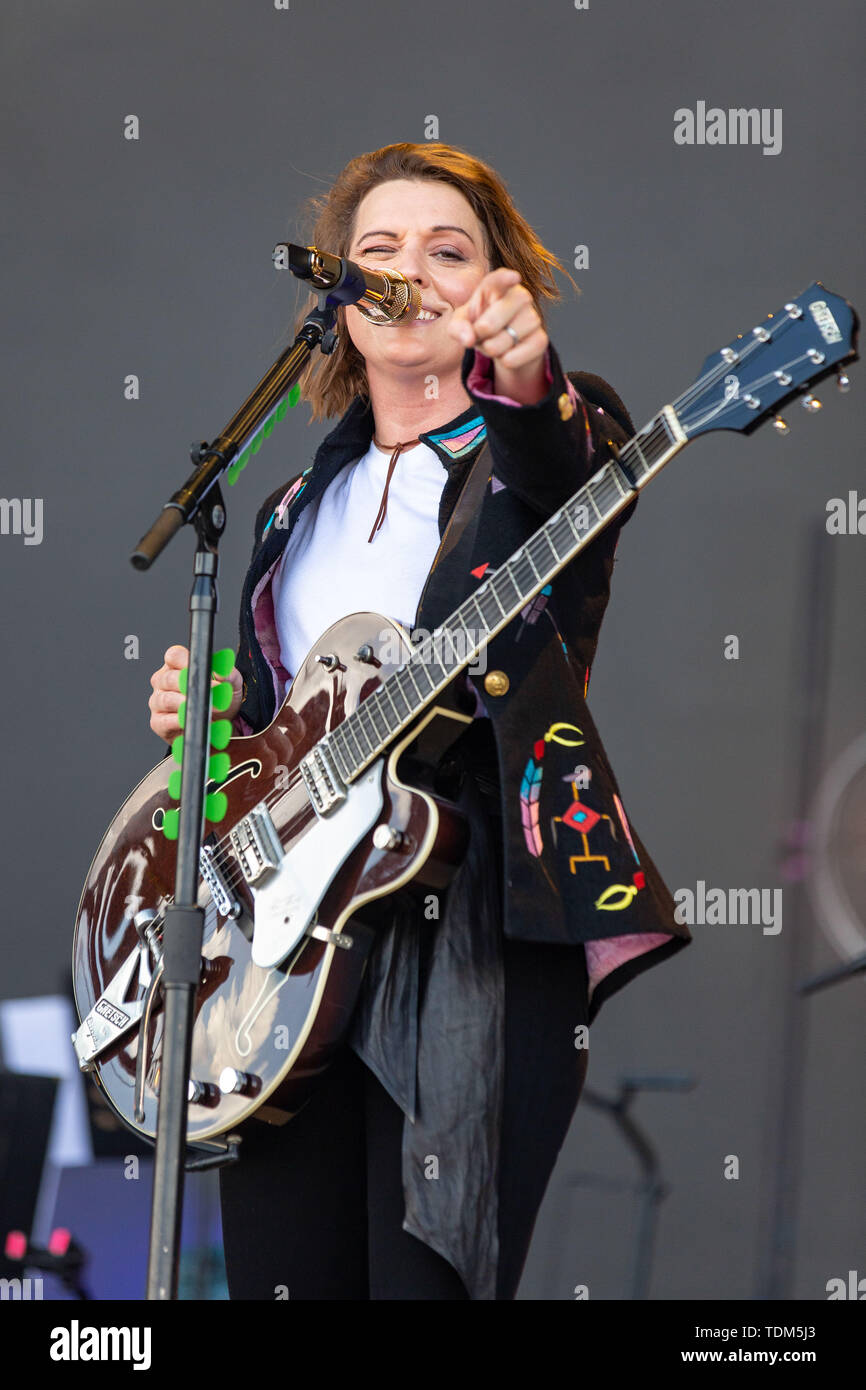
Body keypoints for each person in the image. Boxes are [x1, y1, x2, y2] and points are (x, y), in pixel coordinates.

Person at [148, 142, 692, 1300]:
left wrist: (528, 382)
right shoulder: (296, 506)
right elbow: (278, 742)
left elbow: (559, 460)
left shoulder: (551, 439)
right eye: (377, 251)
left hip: (465, 923)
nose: (410, 270)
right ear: (339, 299)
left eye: (448, 251)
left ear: (500, 294)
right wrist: (212, 728)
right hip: (286, 955)